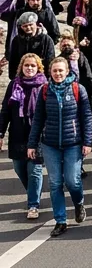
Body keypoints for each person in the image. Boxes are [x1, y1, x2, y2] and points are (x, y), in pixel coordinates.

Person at [27, 55, 92, 237]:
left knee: (72, 180)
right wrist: (32, 144)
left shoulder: (78, 89)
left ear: (67, 71)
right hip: (50, 144)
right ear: (50, 72)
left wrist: (87, 141)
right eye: (54, 71)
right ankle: (60, 220)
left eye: (60, 70)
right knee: (55, 183)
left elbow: (86, 116)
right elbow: (38, 119)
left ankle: (79, 203)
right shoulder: (45, 90)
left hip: (73, 143)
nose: (57, 74)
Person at [0, 53, 47, 219]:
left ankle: (33, 205)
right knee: (19, 169)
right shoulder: (14, 85)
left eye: (33, 66)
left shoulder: (44, 86)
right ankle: (33, 193)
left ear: (38, 68)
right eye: (27, 65)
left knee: (34, 170)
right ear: (22, 67)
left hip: (37, 135)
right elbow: (5, 110)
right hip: (17, 134)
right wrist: (0, 132)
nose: (29, 68)